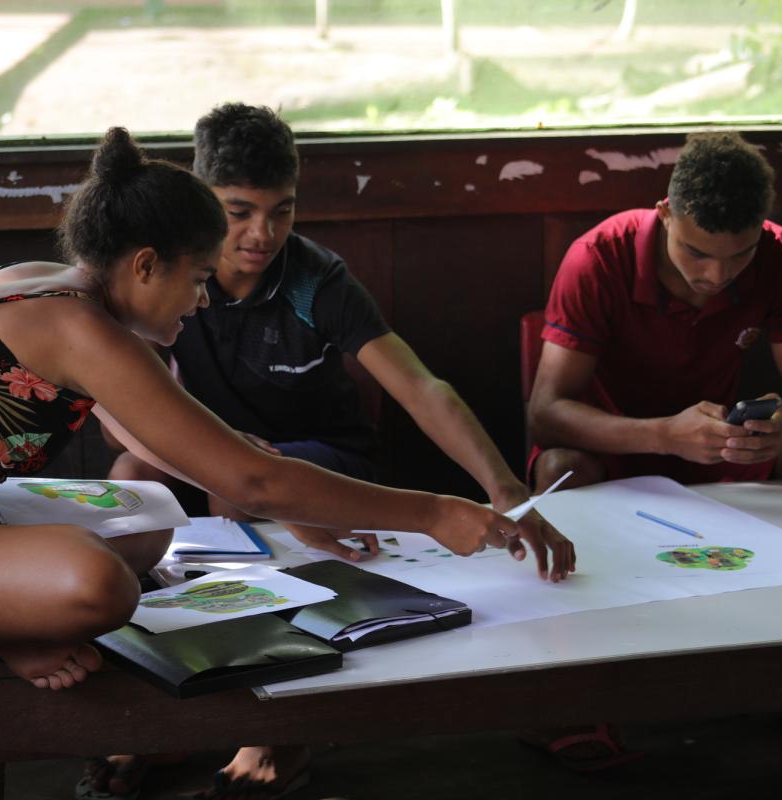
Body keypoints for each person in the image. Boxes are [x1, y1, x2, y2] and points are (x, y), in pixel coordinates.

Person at [0, 127, 519, 703]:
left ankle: (9, 610)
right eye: (197, 278)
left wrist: (298, 513)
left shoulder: (46, 285)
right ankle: (10, 631)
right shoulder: (83, 329)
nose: (201, 301)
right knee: (102, 587)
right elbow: (254, 480)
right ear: (144, 264)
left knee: (148, 527)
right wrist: (433, 513)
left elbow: (183, 449)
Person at [90, 102, 577, 798]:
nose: (262, 235)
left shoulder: (314, 279)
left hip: (318, 460)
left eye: (282, 211)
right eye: (238, 212)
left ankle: (275, 722)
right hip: (225, 463)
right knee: (131, 475)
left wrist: (506, 489)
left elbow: (421, 387)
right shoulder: (161, 271)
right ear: (200, 204)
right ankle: (161, 701)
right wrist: (226, 454)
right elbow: (121, 424)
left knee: (242, 491)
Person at [524, 130, 782, 768]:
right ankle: (569, 697)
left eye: (739, 256)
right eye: (696, 252)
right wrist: (662, 433)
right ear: (664, 213)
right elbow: (546, 412)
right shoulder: (598, 256)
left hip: (717, 450)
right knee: (559, 471)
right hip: (616, 447)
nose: (715, 276)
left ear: (762, 231)